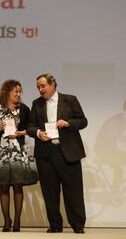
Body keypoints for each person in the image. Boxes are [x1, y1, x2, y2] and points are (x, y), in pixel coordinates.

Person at [27, 74, 87, 234]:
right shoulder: (36, 104)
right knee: (50, 192)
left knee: (73, 191)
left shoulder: (70, 100)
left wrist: (68, 123)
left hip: (68, 152)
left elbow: (83, 121)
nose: (40, 89)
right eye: (38, 87)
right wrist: (39, 133)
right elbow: (30, 126)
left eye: (43, 85)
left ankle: (78, 225)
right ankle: (55, 225)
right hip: (46, 154)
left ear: (53, 84)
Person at [0, 79, 38, 232]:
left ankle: (17, 221)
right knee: (3, 186)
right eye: (16, 91)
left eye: (20, 91)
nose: (18, 94)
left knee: (17, 185)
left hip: (18, 150)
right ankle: (6, 221)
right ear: (7, 92)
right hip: (1, 150)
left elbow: (31, 128)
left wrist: (21, 133)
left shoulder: (25, 109)